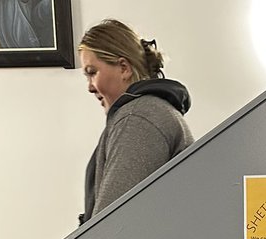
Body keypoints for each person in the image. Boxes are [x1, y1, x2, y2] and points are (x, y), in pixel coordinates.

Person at [78, 19, 193, 223]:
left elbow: (111, 225)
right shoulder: (149, 112)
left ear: (124, 68)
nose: (90, 87)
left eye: (92, 73)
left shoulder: (138, 119)